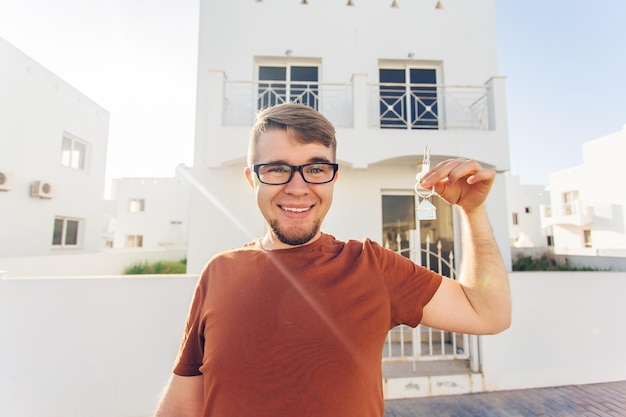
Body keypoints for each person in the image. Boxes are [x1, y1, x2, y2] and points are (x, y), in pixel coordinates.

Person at [154, 103, 511, 417]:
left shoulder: (372, 267)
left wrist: (472, 211)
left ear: (334, 177)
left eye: (316, 168)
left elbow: (488, 312)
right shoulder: (219, 273)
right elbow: (183, 405)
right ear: (252, 179)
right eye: (277, 169)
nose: (297, 187)